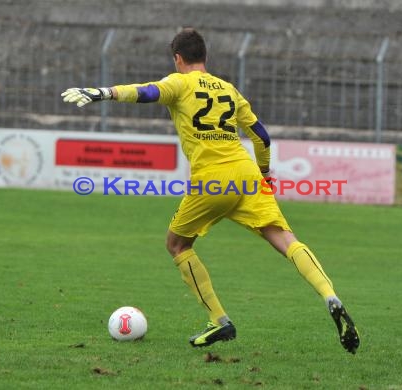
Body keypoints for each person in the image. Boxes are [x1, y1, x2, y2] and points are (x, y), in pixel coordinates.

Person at [61, 28, 360, 354]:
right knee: (286, 239)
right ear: (205, 57)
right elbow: (261, 136)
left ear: (178, 58)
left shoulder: (179, 83)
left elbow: (146, 92)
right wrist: (263, 175)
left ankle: (219, 320)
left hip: (212, 180)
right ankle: (329, 294)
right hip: (246, 174)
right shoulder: (229, 89)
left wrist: (103, 92)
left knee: (177, 244)